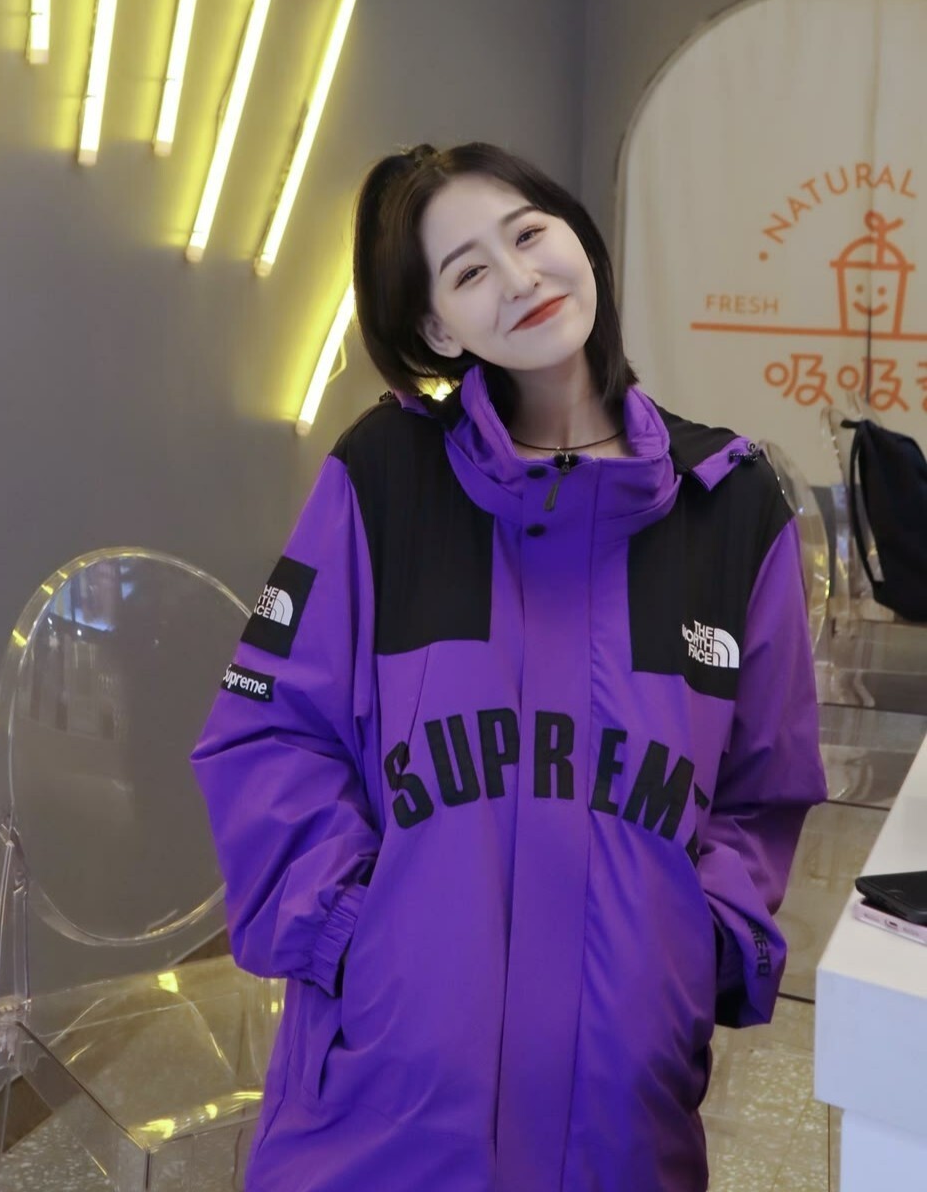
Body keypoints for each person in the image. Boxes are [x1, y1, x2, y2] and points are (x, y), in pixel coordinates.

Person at [190, 142, 828, 1191]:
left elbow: (762, 791)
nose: (521, 277)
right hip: (388, 1115)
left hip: (623, 1122)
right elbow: (267, 732)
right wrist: (355, 937)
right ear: (439, 327)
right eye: (469, 270)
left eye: (529, 233)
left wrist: (694, 948)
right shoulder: (384, 478)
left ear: (578, 234)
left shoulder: (732, 506)